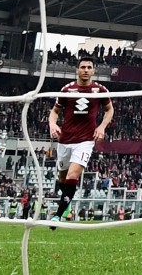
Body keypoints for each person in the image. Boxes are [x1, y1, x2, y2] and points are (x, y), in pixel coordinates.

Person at [47, 56, 114, 229]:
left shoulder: (100, 90)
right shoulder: (67, 89)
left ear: (93, 71)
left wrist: (102, 127)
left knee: (72, 176)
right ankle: (66, 201)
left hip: (85, 141)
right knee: (63, 178)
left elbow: (109, 110)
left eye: (89, 67)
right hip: (65, 140)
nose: (85, 70)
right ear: (77, 70)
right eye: (83, 67)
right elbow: (54, 112)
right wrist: (53, 124)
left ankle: (57, 216)